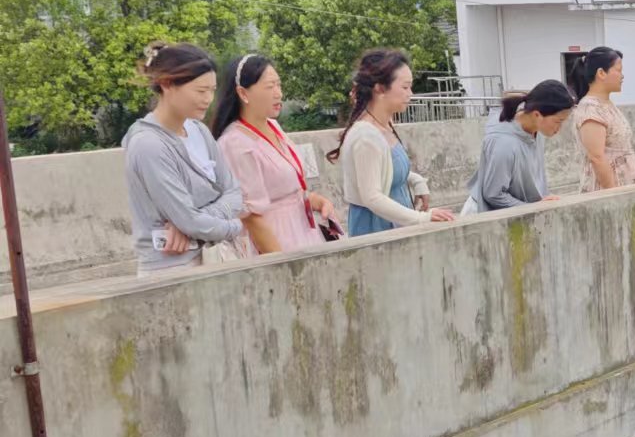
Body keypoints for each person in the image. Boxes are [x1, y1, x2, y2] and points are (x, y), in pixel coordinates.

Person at [122, 42, 248, 273]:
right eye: (201, 91)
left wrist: (191, 225)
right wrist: (235, 225)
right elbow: (189, 219)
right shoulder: (148, 144)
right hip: (171, 269)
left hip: (213, 260)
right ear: (167, 84)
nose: (208, 99)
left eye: (212, 90)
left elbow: (234, 193)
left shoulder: (199, 131)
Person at [211, 52, 340, 254]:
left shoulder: (273, 126)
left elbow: (286, 189)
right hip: (277, 242)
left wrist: (316, 200)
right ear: (243, 93)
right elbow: (252, 217)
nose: (278, 93)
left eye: (279, 85)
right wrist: (283, 266)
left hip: (304, 231)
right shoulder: (235, 144)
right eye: (270, 87)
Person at [328, 48, 456, 236]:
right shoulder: (366, 136)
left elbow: (387, 170)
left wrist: (416, 180)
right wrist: (423, 218)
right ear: (380, 88)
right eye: (405, 87)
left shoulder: (384, 125)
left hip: (394, 222)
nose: (410, 94)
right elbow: (372, 197)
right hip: (377, 227)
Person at [463, 80, 573, 212]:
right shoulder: (503, 143)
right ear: (537, 115)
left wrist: (541, 201)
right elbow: (493, 194)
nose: (559, 128)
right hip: (483, 218)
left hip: (518, 214)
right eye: (558, 121)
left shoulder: (535, 129)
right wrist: (534, 207)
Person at [569, 46, 635, 191]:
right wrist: (613, 194)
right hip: (607, 190)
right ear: (601, 73)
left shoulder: (606, 104)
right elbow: (597, 157)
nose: (622, 76)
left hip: (625, 184)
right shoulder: (591, 109)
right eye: (618, 70)